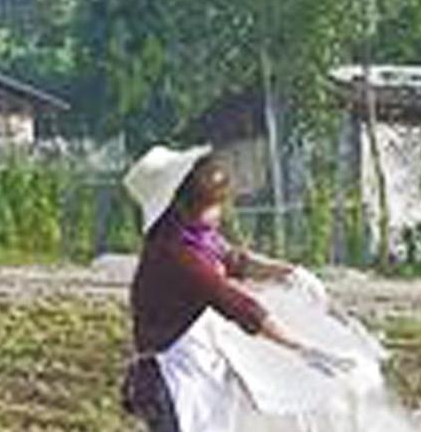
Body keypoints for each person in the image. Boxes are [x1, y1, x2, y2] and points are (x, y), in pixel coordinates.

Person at [121, 146, 352, 432]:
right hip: (170, 380)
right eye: (213, 204)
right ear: (184, 206)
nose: (221, 211)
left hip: (196, 370)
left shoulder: (197, 238)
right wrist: (300, 347)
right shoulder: (175, 253)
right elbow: (237, 305)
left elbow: (236, 261)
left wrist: (288, 272)